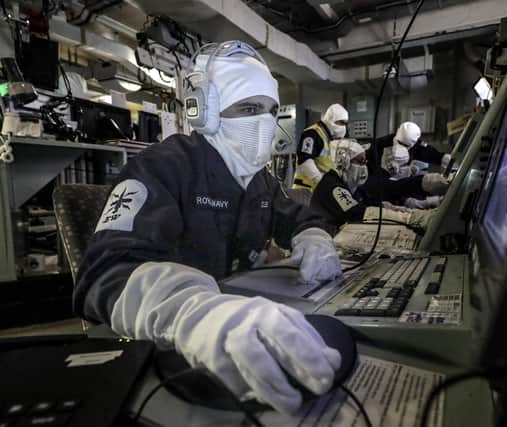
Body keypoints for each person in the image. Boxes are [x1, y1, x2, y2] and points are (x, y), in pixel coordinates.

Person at [73, 41, 343, 415]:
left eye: (271, 111)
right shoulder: (162, 167)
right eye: (249, 109)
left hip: (238, 334)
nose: (264, 123)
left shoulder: (259, 181)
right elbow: (104, 274)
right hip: (163, 344)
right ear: (206, 112)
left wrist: (313, 237)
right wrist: (192, 312)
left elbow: (298, 216)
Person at [310, 139, 439, 228]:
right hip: (330, 236)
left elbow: (372, 203)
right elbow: (358, 213)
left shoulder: (353, 187)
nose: (364, 166)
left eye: (365, 161)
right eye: (360, 161)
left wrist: (408, 213)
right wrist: (408, 219)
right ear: (343, 163)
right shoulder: (332, 186)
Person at [292, 103, 349, 192]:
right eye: (341, 122)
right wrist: (321, 181)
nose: (343, 127)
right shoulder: (312, 134)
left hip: (319, 190)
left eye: (345, 123)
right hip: (305, 189)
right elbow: (304, 160)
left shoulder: (328, 137)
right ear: (330, 119)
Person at [378, 121, 451, 180]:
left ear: (414, 143)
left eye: (405, 145)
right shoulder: (382, 143)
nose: (400, 147)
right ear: (397, 131)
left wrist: (444, 159)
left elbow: (432, 154)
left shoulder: (417, 147)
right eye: (399, 142)